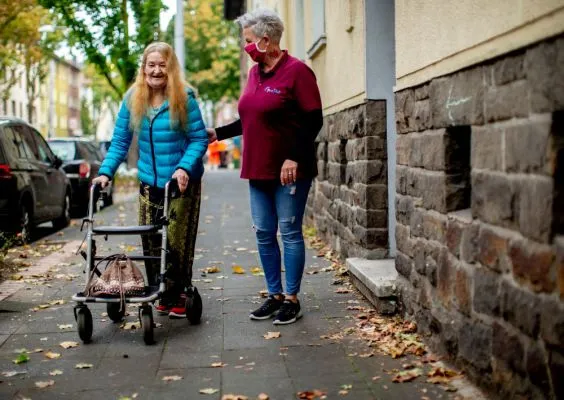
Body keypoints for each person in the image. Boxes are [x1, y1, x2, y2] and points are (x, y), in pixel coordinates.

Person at [207, 8, 323, 325]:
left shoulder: (298, 72)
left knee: (289, 231)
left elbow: (314, 120)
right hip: (257, 168)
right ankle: (274, 296)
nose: (245, 47)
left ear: (265, 40)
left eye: (248, 41)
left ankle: (291, 299)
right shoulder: (255, 73)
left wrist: (294, 157)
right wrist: (218, 134)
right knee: (263, 232)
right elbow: (250, 117)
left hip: (289, 170)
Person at [92, 42, 208, 319]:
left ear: (171, 68)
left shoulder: (185, 96)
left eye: (162, 65)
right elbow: (120, 141)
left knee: (177, 242)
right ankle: (160, 291)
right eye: (151, 65)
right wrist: (106, 172)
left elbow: (198, 138)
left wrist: (184, 168)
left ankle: (179, 291)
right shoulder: (133, 98)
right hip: (147, 183)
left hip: (180, 184)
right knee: (151, 241)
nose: (156, 71)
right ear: (143, 68)